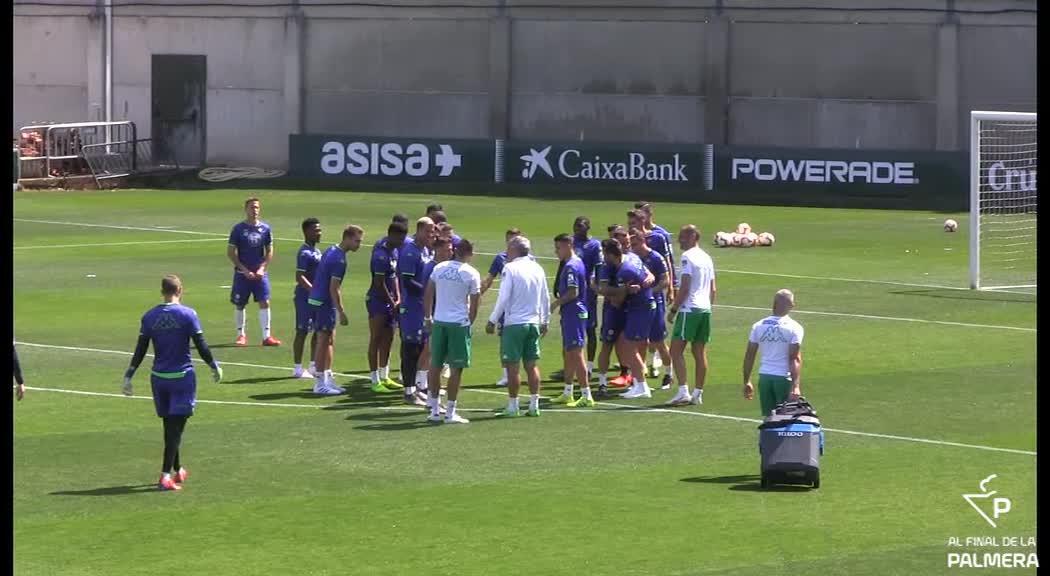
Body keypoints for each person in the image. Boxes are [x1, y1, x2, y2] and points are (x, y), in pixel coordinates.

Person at [121, 275, 223, 491]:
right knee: (176, 429)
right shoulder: (188, 314)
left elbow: (140, 349)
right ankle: (165, 475)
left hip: (159, 379)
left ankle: (178, 469)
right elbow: (201, 344)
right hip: (182, 378)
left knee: (170, 426)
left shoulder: (149, 316)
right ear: (180, 290)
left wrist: (129, 374)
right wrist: (213, 365)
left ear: (162, 292)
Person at [486, 236, 550, 418]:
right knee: (532, 365)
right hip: (533, 323)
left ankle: (513, 407)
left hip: (514, 324)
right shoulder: (537, 268)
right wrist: (545, 321)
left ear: (514, 249)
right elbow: (545, 296)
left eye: (508, 248)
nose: (506, 251)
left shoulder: (510, 268)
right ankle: (534, 405)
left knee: (512, 367)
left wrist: (492, 320)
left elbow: (503, 297)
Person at [423, 239, 481, 424]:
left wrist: (428, 317)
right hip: (458, 324)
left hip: (439, 322)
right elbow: (475, 302)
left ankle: (434, 410)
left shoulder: (439, 268)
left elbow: (428, 292)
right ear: (470, 254)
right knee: (456, 369)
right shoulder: (471, 273)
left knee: (435, 365)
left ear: (455, 251)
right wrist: (469, 322)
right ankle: (450, 413)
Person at [308, 225, 365, 395]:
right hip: (324, 302)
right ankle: (319, 384)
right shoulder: (339, 260)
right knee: (323, 341)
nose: (359, 245)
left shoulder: (331, 250)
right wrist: (341, 311)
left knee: (328, 340)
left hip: (317, 298)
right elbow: (334, 288)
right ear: (347, 238)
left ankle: (327, 379)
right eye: (357, 241)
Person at [666, 225, 716, 406]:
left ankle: (683, 392)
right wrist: (707, 307)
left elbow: (685, 287)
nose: (679, 240)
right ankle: (698, 393)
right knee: (699, 352)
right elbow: (713, 289)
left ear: (693, 236)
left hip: (689, 309)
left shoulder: (687, 257)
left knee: (675, 350)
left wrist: (673, 310)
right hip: (705, 309)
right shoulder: (707, 257)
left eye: (683, 237)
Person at [602, 239, 656, 399]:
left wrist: (601, 290)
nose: (603, 257)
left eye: (605, 254)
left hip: (640, 308)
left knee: (629, 347)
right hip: (644, 306)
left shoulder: (624, 272)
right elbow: (648, 274)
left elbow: (618, 300)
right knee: (631, 345)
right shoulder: (632, 257)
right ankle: (638, 384)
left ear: (611, 255)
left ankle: (642, 386)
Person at [628, 208, 675, 381]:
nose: (632, 247)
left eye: (634, 244)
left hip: (655, 301)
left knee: (658, 340)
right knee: (639, 341)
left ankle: (669, 373)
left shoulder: (655, 254)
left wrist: (653, 290)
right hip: (637, 304)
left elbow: (665, 277)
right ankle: (639, 378)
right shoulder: (632, 256)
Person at [227, 197, 281, 347]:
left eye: (257, 207)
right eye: (252, 207)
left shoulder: (265, 229)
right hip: (242, 274)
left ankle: (266, 336)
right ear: (246, 209)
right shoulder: (238, 229)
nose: (255, 210)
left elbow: (269, 251)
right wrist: (243, 269)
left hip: (260, 274)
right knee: (240, 304)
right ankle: (241, 335)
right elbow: (231, 252)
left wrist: (262, 268)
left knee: (265, 302)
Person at [743, 289, 804, 415]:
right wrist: (796, 386)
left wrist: (747, 381)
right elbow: (794, 359)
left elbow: (749, 355)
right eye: (792, 302)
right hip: (783, 378)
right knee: (786, 418)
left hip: (765, 378)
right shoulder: (795, 327)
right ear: (790, 305)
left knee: (769, 419)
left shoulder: (758, 325)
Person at [550, 234, 594, 407]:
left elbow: (573, 292)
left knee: (576, 353)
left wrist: (556, 304)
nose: (556, 252)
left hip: (574, 313)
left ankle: (586, 395)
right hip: (572, 313)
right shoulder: (577, 262)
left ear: (569, 245)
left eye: (558, 248)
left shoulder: (571, 266)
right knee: (569, 352)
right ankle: (568, 392)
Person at [365, 221, 408, 394]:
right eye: (400, 238)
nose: (402, 242)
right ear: (391, 235)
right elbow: (379, 283)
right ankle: (374, 379)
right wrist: (392, 301)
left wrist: (398, 296)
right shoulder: (380, 255)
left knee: (389, 338)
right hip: (377, 301)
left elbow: (394, 277)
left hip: (390, 300)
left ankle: (385, 376)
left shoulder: (394, 251)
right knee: (376, 338)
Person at [398, 217, 436, 406]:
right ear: (419, 230)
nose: (431, 234)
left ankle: (416, 388)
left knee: (420, 348)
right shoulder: (410, 252)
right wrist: (428, 291)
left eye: (433, 231)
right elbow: (407, 281)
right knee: (410, 349)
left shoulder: (425, 251)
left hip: (421, 307)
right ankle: (408, 391)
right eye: (428, 231)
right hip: (411, 308)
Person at [480, 228, 523, 387]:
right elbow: (489, 279)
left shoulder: (528, 259)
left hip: (522, 306)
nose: (512, 243)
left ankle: (518, 373)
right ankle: (506, 375)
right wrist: (478, 294)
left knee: (522, 341)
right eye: (510, 240)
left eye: (515, 240)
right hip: (506, 308)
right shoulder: (500, 258)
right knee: (504, 340)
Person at [572, 217, 603, 379]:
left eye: (581, 227)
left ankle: (589, 366)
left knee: (590, 329)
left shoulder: (594, 245)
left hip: (588, 294)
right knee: (573, 329)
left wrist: (596, 285)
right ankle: (573, 365)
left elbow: (599, 267)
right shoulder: (571, 242)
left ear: (587, 228)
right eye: (576, 227)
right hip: (573, 292)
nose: (577, 230)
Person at [292, 218, 323, 379]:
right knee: (302, 331)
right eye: (316, 230)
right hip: (304, 298)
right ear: (307, 232)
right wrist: (313, 291)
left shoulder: (317, 251)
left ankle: (313, 365)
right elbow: (299, 276)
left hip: (316, 298)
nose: (319, 233)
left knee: (317, 331)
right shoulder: (304, 253)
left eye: (319, 230)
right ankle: (297, 368)